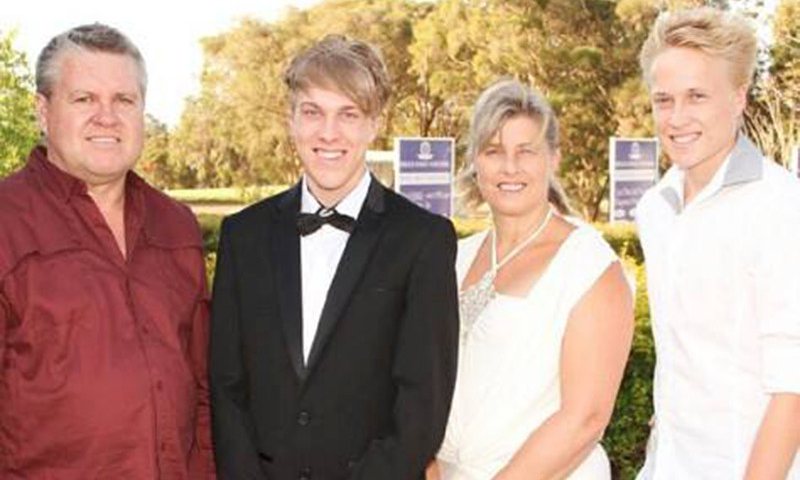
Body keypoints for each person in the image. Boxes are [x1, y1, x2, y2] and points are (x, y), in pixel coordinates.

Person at [209, 34, 459, 480]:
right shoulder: (242, 235)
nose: (329, 133)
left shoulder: (423, 240)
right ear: (291, 120)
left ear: (373, 124)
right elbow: (227, 389)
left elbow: (423, 404)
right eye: (313, 112)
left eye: (348, 114)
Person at [0, 24, 214, 478]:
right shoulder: (7, 224)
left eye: (124, 100)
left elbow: (203, 390)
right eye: (84, 100)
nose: (107, 117)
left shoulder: (176, 225)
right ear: (42, 110)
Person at [431, 79, 634, 479]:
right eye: (494, 151)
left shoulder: (590, 265)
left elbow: (585, 418)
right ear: (475, 160)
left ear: (553, 158)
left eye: (526, 151)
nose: (510, 167)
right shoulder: (455, 257)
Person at [635, 7, 800, 479]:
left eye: (697, 96)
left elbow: (792, 388)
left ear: (739, 97)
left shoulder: (781, 206)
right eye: (663, 99)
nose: (677, 117)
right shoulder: (655, 209)